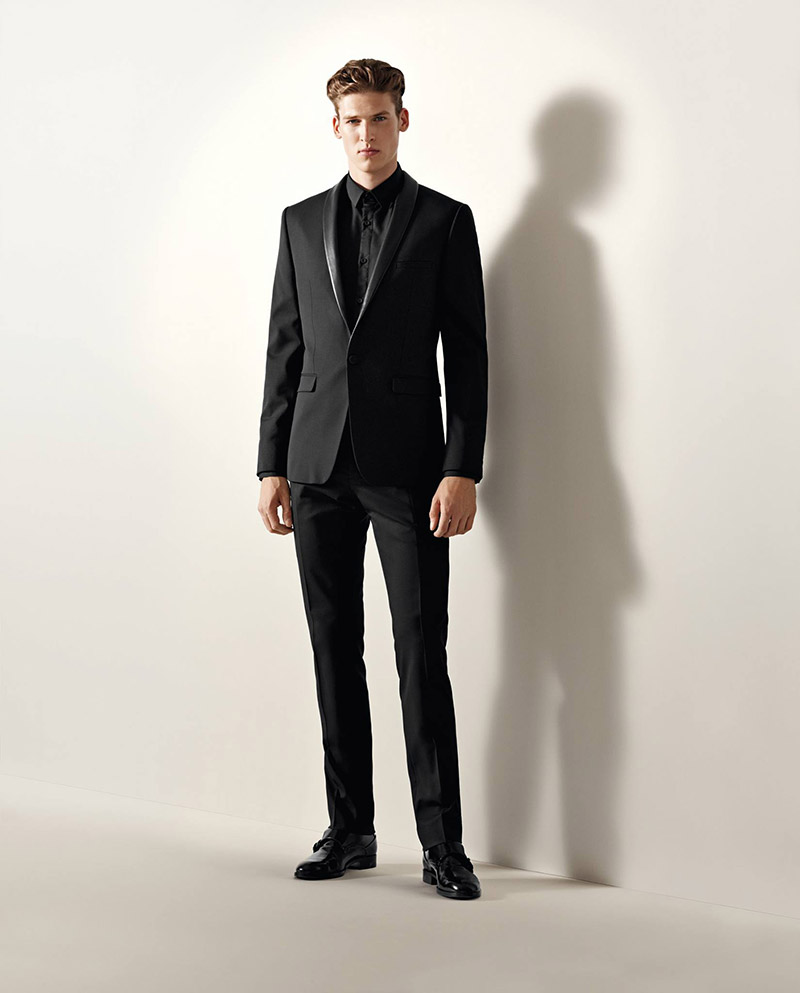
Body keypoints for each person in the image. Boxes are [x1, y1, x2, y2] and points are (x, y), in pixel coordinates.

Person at [256, 58, 488, 900]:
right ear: (336, 127)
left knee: (420, 652)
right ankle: (350, 828)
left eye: (380, 117)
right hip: (315, 466)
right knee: (333, 649)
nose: (366, 134)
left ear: (402, 120)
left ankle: (442, 843)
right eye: (352, 120)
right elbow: (285, 347)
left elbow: (468, 356)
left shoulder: (445, 221)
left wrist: (461, 466)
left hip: (408, 470)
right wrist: (270, 462)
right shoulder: (299, 222)